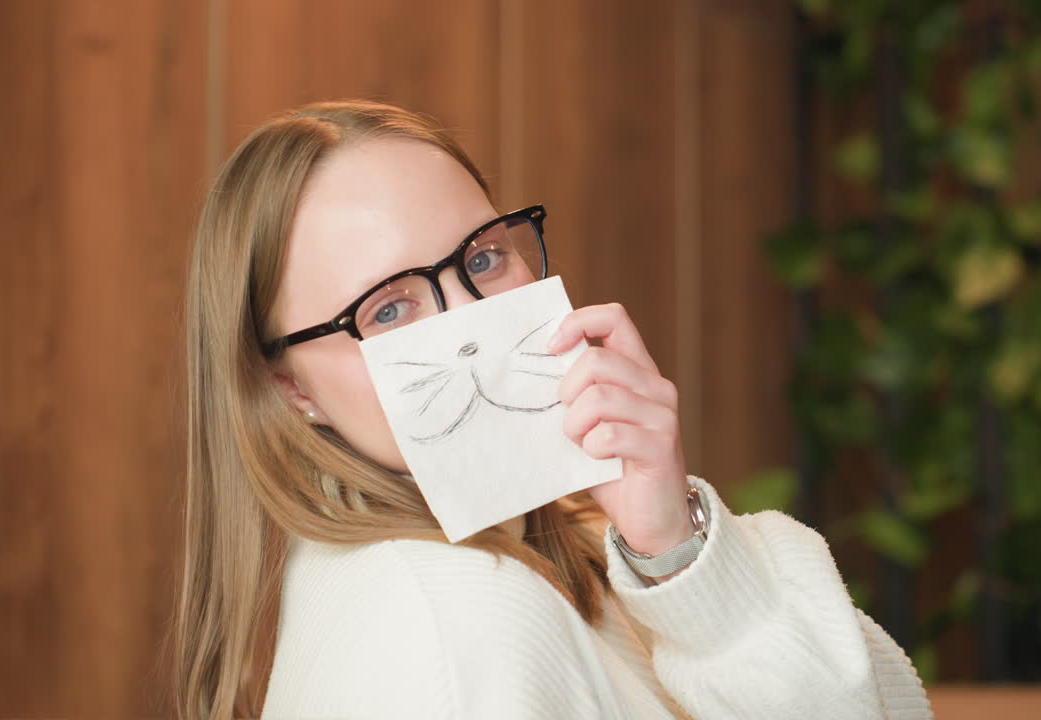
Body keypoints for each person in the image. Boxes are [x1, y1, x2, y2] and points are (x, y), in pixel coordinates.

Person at [170, 99, 933, 719]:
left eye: (481, 259)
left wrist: (674, 552)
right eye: (389, 311)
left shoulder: (574, 546)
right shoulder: (452, 616)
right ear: (290, 389)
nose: (468, 324)